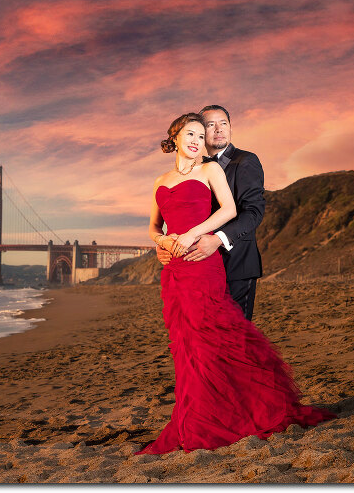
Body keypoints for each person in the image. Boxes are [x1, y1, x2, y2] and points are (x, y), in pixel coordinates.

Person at [138, 112, 335, 455]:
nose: (203, 136)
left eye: (213, 128)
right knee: (189, 348)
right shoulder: (160, 180)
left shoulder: (231, 164)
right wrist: (162, 244)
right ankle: (200, 415)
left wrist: (203, 236)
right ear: (176, 136)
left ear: (229, 128)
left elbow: (245, 211)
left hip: (224, 260)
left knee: (230, 344)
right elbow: (155, 227)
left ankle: (246, 414)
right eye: (195, 132)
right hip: (178, 270)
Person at [156, 105, 264, 321]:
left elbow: (253, 211)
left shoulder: (245, 161)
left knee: (235, 335)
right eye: (210, 125)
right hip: (198, 265)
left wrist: (218, 240)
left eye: (224, 123)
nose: (218, 129)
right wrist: (164, 244)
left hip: (236, 263)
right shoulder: (195, 168)